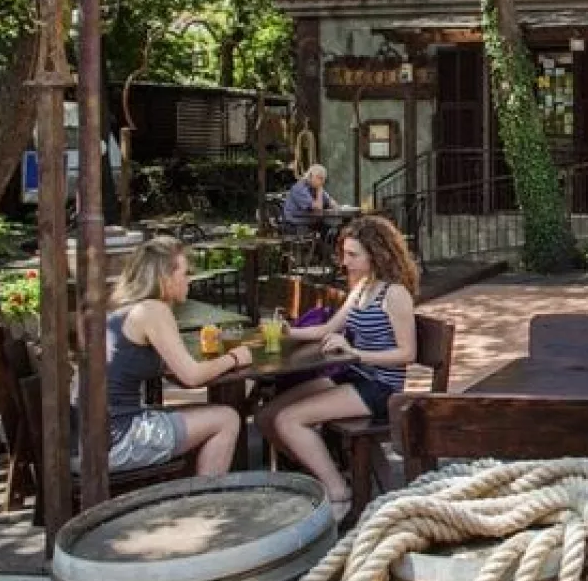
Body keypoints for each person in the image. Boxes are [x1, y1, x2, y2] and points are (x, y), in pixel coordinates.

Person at [256, 215, 417, 520]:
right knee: (266, 417)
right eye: (345, 254)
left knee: (289, 420)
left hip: (380, 388)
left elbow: (407, 354)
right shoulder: (362, 289)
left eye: (353, 255)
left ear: (376, 253)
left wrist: (355, 353)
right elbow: (327, 328)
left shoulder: (394, 294)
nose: (346, 262)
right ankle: (325, 477)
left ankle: (340, 495)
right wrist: (285, 331)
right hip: (353, 376)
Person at [93, 237, 245, 476]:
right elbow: (192, 377)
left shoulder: (121, 308)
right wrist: (235, 357)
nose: (189, 280)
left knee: (204, 414)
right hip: (117, 440)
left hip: (90, 439)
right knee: (227, 418)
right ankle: (204, 505)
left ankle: (193, 490)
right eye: (184, 273)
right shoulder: (153, 310)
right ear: (164, 279)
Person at [282, 164, 337, 229]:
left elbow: (332, 203)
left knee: (334, 227)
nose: (322, 182)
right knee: (327, 227)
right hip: (295, 221)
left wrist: (332, 203)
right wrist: (319, 190)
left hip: (308, 219)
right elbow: (318, 208)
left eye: (323, 179)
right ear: (310, 176)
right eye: (320, 178)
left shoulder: (314, 187)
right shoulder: (300, 188)